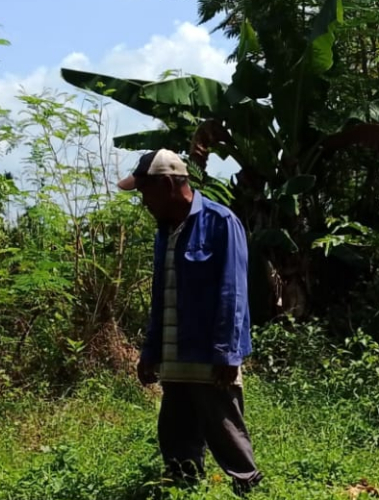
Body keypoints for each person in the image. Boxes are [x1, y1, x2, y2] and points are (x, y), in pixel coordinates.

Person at [117, 149, 263, 496]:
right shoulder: (165, 231)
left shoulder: (220, 222)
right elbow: (162, 295)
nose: (144, 202)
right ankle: (184, 488)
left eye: (145, 192)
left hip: (210, 356)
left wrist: (226, 354)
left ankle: (249, 488)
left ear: (168, 185)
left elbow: (233, 293)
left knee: (225, 430)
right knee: (176, 432)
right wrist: (150, 351)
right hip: (174, 354)